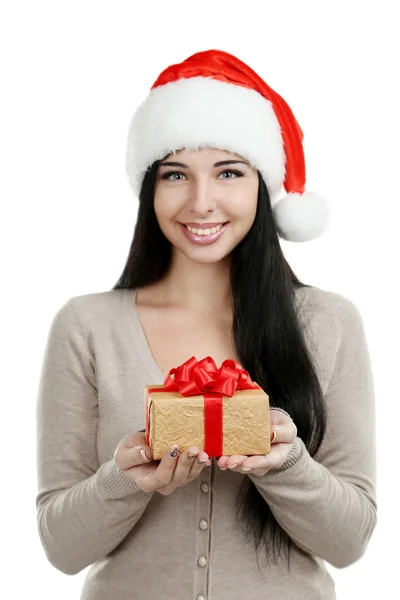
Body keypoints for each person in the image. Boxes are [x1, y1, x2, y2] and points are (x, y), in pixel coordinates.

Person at [35, 49, 377, 600]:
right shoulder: (86, 325)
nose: (201, 202)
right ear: (150, 188)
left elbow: (351, 542)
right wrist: (125, 480)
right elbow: (61, 550)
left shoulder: (330, 322)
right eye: (176, 174)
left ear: (263, 188)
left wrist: (286, 464)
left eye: (229, 173)